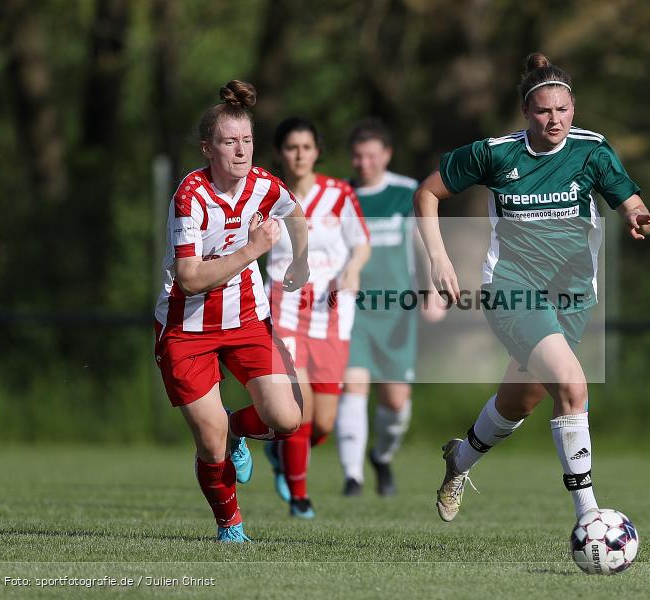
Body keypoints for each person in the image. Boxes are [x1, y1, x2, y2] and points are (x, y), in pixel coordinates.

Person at [413, 54, 650, 524]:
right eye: (545, 111)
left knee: (521, 399)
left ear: (575, 109)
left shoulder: (591, 151)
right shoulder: (496, 153)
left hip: (571, 296)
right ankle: (589, 516)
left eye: (564, 110)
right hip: (511, 289)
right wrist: (439, 258)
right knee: (572, 386)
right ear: (527, 112)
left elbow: (629, 200)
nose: (555, 120)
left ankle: (459, 460)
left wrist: (636, 215)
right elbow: (427, 192)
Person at [153, 80, 310, 542]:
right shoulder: (191, 196)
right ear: (208, 148)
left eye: (246, 141)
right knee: (208, 439)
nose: (240, 152)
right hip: (187, 327)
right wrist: (253, 249)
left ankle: (238, 433)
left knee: (286, 419)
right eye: (228, 142)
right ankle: (231, 525)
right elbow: (190, 277)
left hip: (246, 319)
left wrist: (300, 262)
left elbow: (295, 214)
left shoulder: (264, 185)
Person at [264, 117, 371, 518]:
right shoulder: (266, 194)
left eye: (306, 147)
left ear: (316, 152)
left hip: (332, 315)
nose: (299, 155)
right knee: (300, 410)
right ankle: (300, 497)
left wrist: (353, 270)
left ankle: (281, 451)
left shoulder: (339, 194)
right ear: (280, 152)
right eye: (291, 147)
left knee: (323, 423)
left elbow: (361, 245)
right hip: (285, 310)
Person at [334, 119, 444, 497]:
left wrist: (433, 291)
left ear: (386, 156)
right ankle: (353, 477)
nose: (364, 163)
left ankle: (380, 455)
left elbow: (424, 244)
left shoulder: (407, 192)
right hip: (354, 310)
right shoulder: (341, 195)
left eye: (371, 156)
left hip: (398, 311)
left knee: (395, 402)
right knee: (354, 385)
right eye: (358, 156)